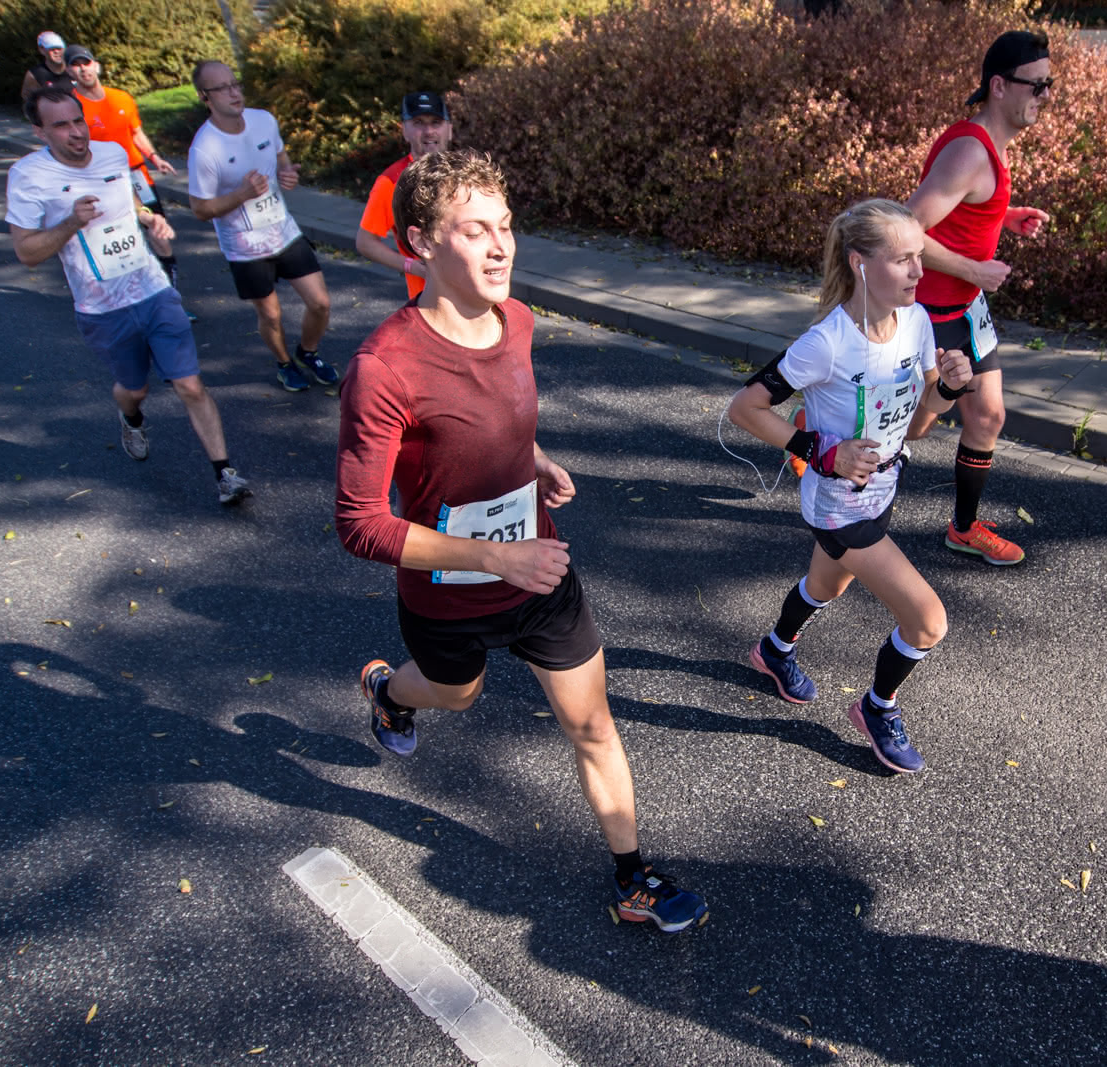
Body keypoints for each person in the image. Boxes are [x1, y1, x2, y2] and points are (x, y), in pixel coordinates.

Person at [334, 149, 707, 933]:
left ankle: (633, 877)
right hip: (447, 596)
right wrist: (494, 555)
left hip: (540, 576)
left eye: (505, 226)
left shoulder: (519, 321)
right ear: (419, 242)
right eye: (475, 230)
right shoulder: (382, 369)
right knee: (457, 695)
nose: (501, 246)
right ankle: (389, 693)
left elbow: (494, 417)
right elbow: (360, 522)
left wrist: (532, 459)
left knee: (593, 724)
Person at [727, 199, 974, 774]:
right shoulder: (827, 343)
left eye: (920, 256)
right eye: (904, 259)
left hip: (885, 485)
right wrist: (819, 450)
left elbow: (920, 421)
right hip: (839, 505)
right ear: (861, 264)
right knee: (927, 621)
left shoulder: (917, 321)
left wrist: (949, 389)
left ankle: (774, 651)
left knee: (826, 584)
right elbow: (744, 408)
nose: (919, 271)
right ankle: (877, 707)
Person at [6, 90, 251, 505]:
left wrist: (149, 218)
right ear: (39, 131)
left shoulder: (113, 154)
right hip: (102, 308)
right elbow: (26, 252)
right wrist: (71, 222)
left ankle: (225, 475)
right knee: (134, 390)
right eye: (61, 125)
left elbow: (130, 200)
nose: (76, 132)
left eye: (78, 120)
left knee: (190, 385)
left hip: (153, 289)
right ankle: (131, 416)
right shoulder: (28, 175)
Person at [904, 29, 1054, 567]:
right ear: (999, 86)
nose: (1044, 96)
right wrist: (974, 269)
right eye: (1035, 86)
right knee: (916, 424)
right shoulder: (970, 151)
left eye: (1049, 85)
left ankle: (963, 528)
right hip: (930, 312)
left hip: (967, 308)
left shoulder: (990, 148)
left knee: (987, 416)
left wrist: (1001, 217)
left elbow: (963, 208)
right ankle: (817, 426)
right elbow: (906, 228)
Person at [186, 61, 336, 392]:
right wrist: (241, 194)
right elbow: (200, 209)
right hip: (245, 247)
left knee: (320, 303)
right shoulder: (205, 149)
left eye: (235, 84)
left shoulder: (263, 120)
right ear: (204, 97)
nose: (234, 92)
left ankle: (307, 352)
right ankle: (284, 364)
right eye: (222, 88)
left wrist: (287, 174)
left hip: (284, 231)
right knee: (271, 315)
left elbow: (280, 156)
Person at [67, 45, 193, 315]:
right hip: (102, 184)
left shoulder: (121, 98)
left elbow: (136, 133)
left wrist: (154, 157)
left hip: (137, 176)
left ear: (96, 66)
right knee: (120, 241)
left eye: (86, 63)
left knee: (157, 229)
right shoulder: (73, 108)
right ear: (69, 71)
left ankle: (171, 299)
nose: (83, 69)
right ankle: (127, 301)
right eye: (76, 65)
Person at [355, 91, 453, 300]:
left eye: (436, 123)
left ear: (449, 129)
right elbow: (365, 242)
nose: (429, 131)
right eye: (418, 123)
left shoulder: (466, 173)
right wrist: (412, 266)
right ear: (405, 131)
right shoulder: (391, 181)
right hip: (430, 303)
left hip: (475, 294)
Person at [21, 32, 75, 101]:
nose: (56, 52)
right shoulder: (35, 74)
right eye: (52, 49)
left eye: (59, 48)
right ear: (42, 50)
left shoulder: (74, 69)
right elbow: (28, 99)